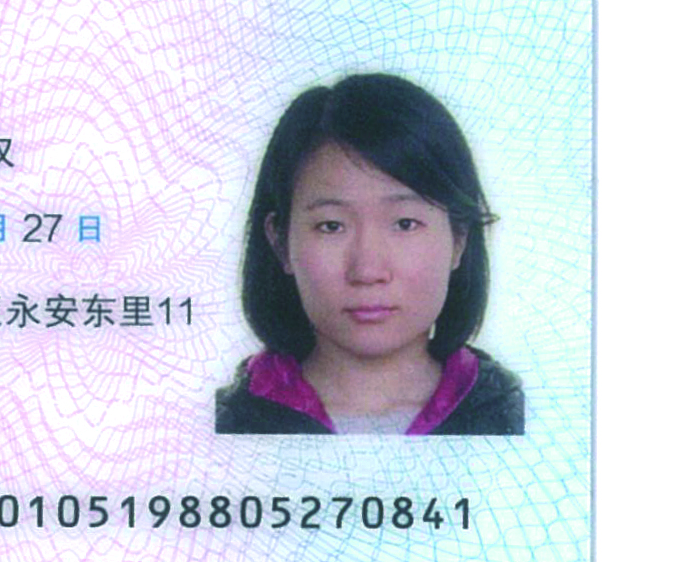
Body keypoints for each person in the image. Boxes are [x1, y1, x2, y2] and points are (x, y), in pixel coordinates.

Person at [212, 73, 525, 436]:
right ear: (281, 243)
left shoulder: (519, 418)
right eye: (331, 226)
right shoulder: (224, 424)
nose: (367, 270)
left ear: (459, 239)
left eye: (405, 224)